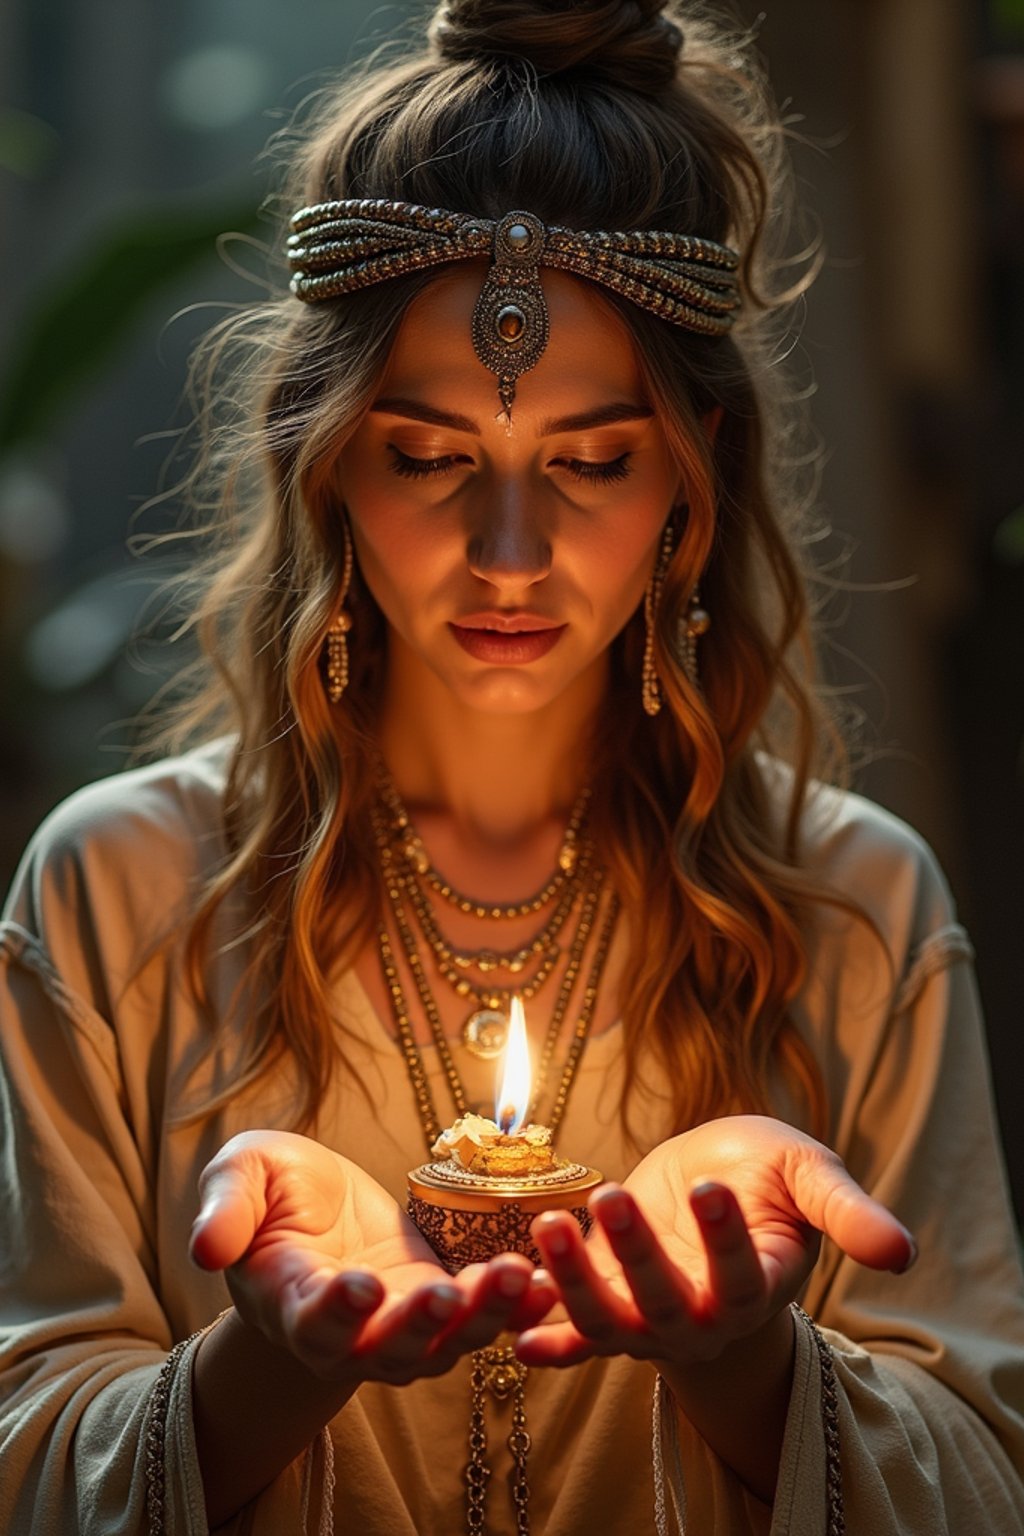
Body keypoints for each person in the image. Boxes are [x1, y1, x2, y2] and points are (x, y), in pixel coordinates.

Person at [2, 1, 1023, 1532]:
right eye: (426, 458)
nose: (509, 555)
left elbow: (987, 1477)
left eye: (594, 463)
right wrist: (267, 1372)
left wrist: (748, 1369)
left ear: (696, 480)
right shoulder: (123, 890)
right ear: (326, 462)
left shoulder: (855, 906)